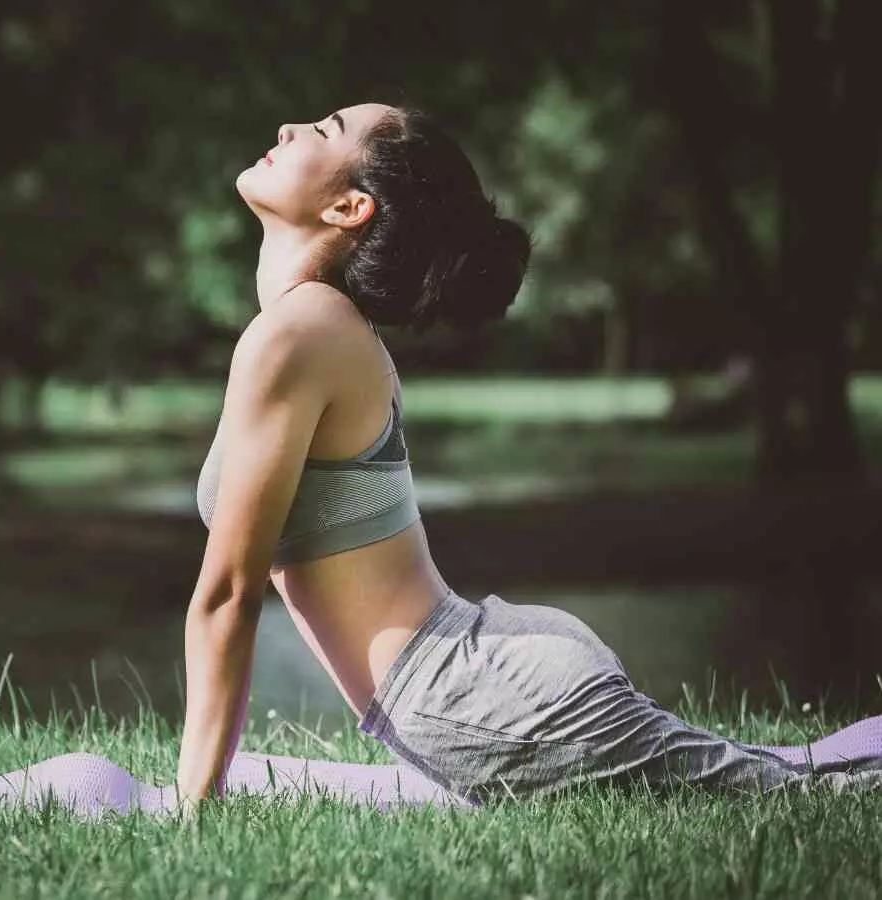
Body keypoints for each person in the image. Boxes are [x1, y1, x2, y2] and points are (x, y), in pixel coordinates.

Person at [175, 102, 882, 815]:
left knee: (809, 797)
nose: (288, 129)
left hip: (478, 697)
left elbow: (229, 594)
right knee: (794, 776)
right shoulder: (313, 327)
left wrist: (193, 815)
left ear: (350, 205)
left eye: (325, 130)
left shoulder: (300, 334)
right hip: (490, 677)